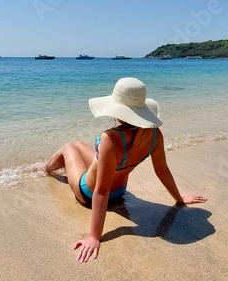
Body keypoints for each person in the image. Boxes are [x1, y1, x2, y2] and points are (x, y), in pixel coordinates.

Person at [45, 77, 207, 263]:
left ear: (119, 111)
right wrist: (179, 199)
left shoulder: (110, 138)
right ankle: (54, 167)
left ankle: (45, 169)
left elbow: (102, 190)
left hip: (88, 193)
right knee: (80, 145)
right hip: (120, 191)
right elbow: (162, 171)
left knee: (68, 147)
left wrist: (94, 237)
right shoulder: (155, 134)